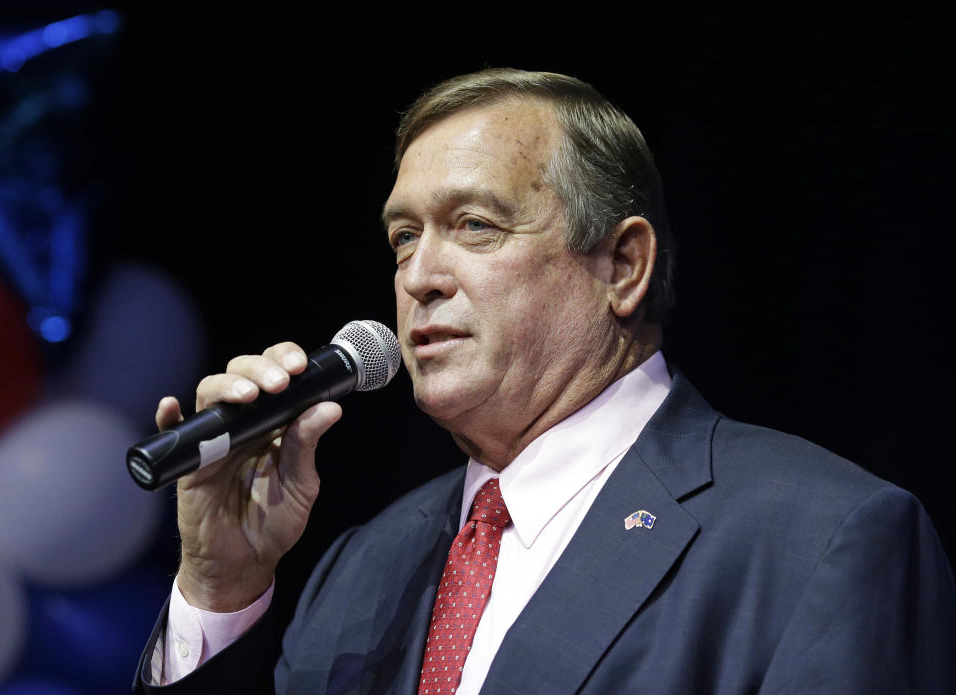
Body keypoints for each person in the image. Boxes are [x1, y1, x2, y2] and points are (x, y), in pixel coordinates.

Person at [133, 69, 956, 694]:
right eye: (402, 237)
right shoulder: (361, 565)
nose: (419, 275)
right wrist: (220, 586)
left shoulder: (821, 536)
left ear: (623, 266)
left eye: (475, 226)